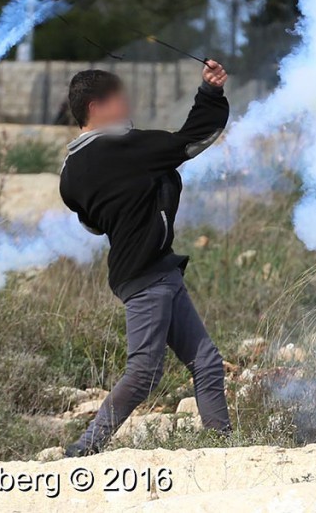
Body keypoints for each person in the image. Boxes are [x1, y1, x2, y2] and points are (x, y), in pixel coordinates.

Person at [58, 61, 231, 456]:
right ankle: (84, 449)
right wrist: (210, 92)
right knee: (144, 372)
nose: (129, 105)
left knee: (207, 362)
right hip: (147, 277)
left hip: (152, 272)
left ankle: (223, 449)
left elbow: (94, 225)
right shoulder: (123, 147)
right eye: (121, 98)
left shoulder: (71, 172)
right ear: (97, 106)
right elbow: (194, 138)